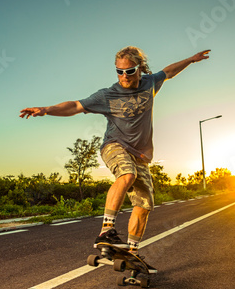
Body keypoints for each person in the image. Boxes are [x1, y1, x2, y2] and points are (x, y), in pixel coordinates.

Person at [20, 46, 210, 269]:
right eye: (119, 72)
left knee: (144, 204)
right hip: (115, 146)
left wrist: (192, 59)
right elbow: (75, 106)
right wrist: (46, 109)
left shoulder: (150, 83)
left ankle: (132, 253)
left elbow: (168, 72)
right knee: (126, 175)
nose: (124, 77)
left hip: (141, 156)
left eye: (129, 72)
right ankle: (106, 230)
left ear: (140, 69)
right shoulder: (107, 95)